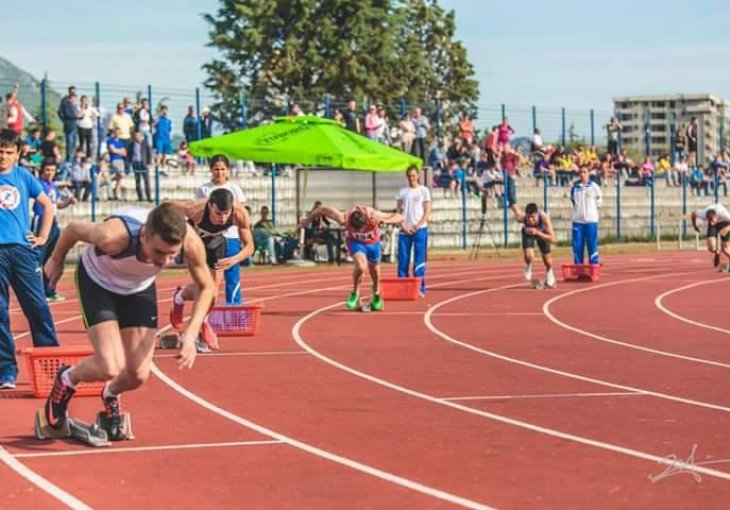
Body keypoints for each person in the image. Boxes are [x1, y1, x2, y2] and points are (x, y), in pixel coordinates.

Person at [42, 203, 216, 439]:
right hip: (98, 283)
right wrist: (56, 260)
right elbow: (72, 229)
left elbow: (207, 288)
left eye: (171, 255)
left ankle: (110, 394)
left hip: (138, 289)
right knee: (109, 366)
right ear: (144, 235)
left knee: (138, 375)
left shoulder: (190, 243)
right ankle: (67, 379)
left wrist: (190, 334)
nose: (164, 262)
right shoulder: (114, 236)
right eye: (158, 252)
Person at [0, 130, 59, 389]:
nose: (3, 156)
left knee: (37, 306)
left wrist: (43, 237)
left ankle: (51, 363)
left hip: (22, 251)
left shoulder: (24, 177)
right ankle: (6, 371)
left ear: (17, 154)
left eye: (8, 152)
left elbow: (47, 205)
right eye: (0, 151)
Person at [170, 189, 254, 351]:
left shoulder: (240, 213)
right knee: (204, 287)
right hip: (194, 238)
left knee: (213, 292)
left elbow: (250, 246)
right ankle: (200, 323)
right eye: (218, 213)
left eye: (225, 214)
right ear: (210, 205)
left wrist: (234, 259)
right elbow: (166, 207)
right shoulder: (195, 209)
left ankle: (181, 298)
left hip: (216, 241)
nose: (222, 218)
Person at [299, 204, 403, 311]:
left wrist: (384, 220)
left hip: (373, 244)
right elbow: (322, 208)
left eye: (361, 229)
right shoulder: (343, 218)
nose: (360, 232)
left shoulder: (373, 215)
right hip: (356, 243)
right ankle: (355, 293)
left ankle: (376, 293)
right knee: (362, 267)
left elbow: (399, 216)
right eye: (356, 230)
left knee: (375, 272)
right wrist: (307, 220)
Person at [193, 154, 248, 304]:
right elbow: (198, 213)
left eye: (223, 169)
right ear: (211, 170)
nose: (220, 172)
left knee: (232, 275)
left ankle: (234, 307)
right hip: (211, 239)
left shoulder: (234, 189)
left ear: (228, 170)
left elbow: (242, 213)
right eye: (216, 169)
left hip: (230, 237)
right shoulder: (204, 189)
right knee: (211, 278)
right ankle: (208, 311)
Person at [33, 159, 78, 301]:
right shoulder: (37, 184)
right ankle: (36, 291)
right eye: (47, 170)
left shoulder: (53, 186)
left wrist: (68, 203)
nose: (50, 173)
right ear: (42, 171)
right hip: (41, 221)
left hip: (53, 223)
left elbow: (57, 204)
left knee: (52, 258)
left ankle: (49, 290)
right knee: (38, 257)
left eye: (53, 170)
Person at [396, 165, 431, 297]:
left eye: (413, 175)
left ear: (418, 176)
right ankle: (403, 288)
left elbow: (427, 210)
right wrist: (403, 225)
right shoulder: (402, 192)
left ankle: (419, 288)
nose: (411, 178)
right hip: (405, 230)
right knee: (403, 260)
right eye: (409, 176)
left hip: (420, 229)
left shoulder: (424, 191)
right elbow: (398, 212)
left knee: (419, 260)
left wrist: (418, 225)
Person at [511, 202, 557, 288]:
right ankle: (528, 264)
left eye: (533, 217)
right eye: (529, 217)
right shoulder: (522, 218)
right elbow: (516, 210)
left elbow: (553, 239)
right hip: (528, 233)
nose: (531, 220)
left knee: (548, 261)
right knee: (530, 256)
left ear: (537, 214)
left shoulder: (544, 218)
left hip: (542, 234)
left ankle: (549, 272)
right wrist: (512, 201)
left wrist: (538, 233)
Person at [570, 165, 603, 265]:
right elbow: (573, 202)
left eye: (584, 172)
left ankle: (593, 268)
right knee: (577, 246)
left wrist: (590, 212)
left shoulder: (594, 187)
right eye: (580, 172)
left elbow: (599, 202)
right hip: (578, 222)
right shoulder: (575, 188)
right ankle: (578, 269)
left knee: (592, 246)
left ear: (588, 173)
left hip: (591, 221)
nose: (582, 174)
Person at [691, 203, 730, 269]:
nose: (711, 222)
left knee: (725, 248)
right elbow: (693, 214)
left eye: (712, 220)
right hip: (714, 225)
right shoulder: (703, 214)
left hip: (725, 223)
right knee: (711, 247)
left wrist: (727, 228)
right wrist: (694, 225)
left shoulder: (724, 214)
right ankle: (717, 252)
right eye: (709, 220)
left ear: (716, 216)